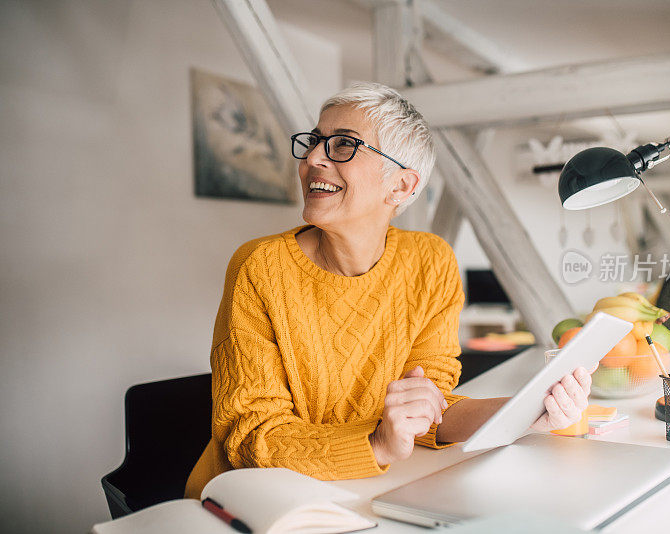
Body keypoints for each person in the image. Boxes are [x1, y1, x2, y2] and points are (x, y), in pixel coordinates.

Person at [184, 82, 592, 498]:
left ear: (399, 186)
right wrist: (376, 444)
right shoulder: (260, 267)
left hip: (361, 491)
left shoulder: (431, 262)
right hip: (248, 503)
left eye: (343, 145)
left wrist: (526, 411)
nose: (311, 159)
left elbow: (431, 407)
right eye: (315, 141)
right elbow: (253, 437)